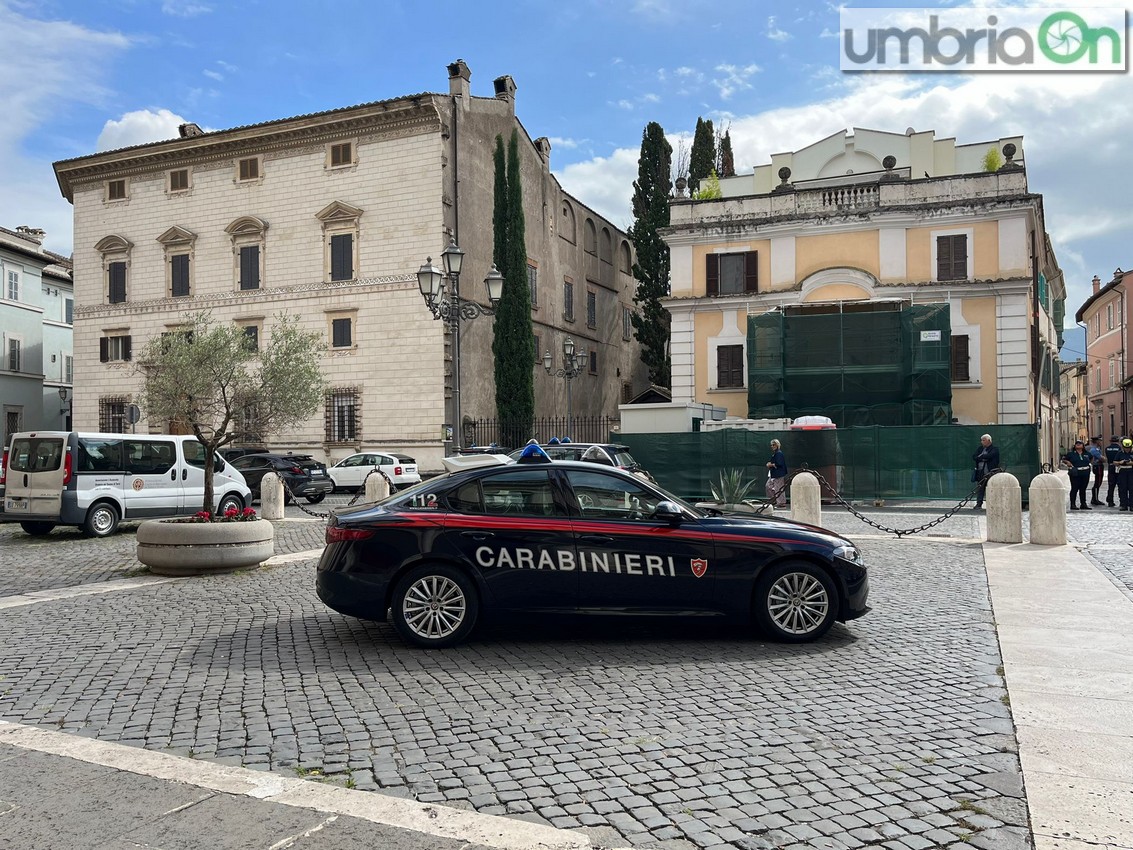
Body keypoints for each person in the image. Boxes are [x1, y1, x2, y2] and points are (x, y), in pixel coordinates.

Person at [1061, 440, 1093, 510]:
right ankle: (1073, 504)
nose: (1078, 445)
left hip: (1085, 473)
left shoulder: (1087, 453)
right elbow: (1064, 460)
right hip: (1075, 473)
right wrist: (1068, 462)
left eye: (1080, 444)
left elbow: (1091, 459)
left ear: (1083, 445)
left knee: (1083, 489)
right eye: (1077, 444)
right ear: (1075, 446)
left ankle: (1083, 504)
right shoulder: (1071, 454)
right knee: (1074, 488)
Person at [972, 433, 999, 510]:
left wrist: (981, 457)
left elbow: (989, 456)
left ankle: (993, 504)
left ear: (989, 441)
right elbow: (974, 457)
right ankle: (979, 503)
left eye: (983, 440)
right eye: (981, 440)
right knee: (980, 488)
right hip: (981, 472)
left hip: (990, 472)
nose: (982, 442)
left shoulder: (994, 449)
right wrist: (981, 457)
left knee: (991, 488)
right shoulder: (980, 449)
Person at [765, 439, 788, 508]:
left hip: (778, 474)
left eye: (773, 445)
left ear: (777, 445)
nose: (772, 446)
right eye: (771, 445)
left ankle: (781, 503)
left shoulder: (779, 453)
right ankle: (774, 500)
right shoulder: (775, 453)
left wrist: (770, 465)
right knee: (768, 486)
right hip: (774, 474)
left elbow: (779, 463)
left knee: (779, 488)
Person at [1105, 435, 1123, 507]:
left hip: (1110, 466)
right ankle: (1121, 501)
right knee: (1120, 485)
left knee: (1111, 485)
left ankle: (1110, 500)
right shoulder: (1119, 449)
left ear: (1110, 441)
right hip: (1118, 466)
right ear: (1118, 441)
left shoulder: (1107, 448)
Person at [1087, 436, 1105, 505]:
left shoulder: (1096, 449)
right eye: (1099, 441)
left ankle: (1095, 498)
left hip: (1098, 466)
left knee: (1098, 482)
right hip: (1097, 466)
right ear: (1097, 441)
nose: (1101, 442)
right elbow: (1102, 458)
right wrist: (1103, 458)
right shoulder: (1094, 450)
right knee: (1097, 483)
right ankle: (1095, 499)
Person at [1117, 438, 1133, 511]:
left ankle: (1132, 505)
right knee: (1123, 489)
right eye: (1126, 448)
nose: (1127, 449)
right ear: (1123, 447)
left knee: (1132, 489)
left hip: (1131, 471)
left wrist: (1131, 463)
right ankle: (1124, 505)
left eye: (1128, 448)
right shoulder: (1120, 453)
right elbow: (1114, 461)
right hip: (1122, 472)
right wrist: (1120, 462)